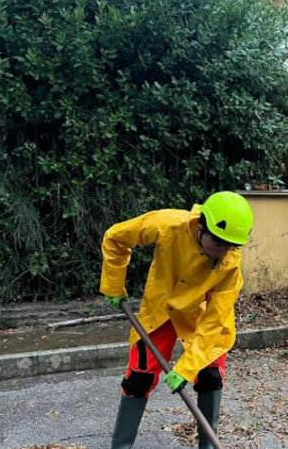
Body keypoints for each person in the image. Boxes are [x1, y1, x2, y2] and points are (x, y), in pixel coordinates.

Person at [100, 191, 253, 449]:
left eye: (231, 245)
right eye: (219, 243)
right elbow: (115, 238)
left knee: (210, 375)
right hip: (161, 311)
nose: (224, 251)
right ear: (201, 227)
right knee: (139, 378)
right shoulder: (168, 224)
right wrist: (113, 285)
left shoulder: (230, 261)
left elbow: (216, 319)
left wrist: (186, 368)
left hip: (201, 317)